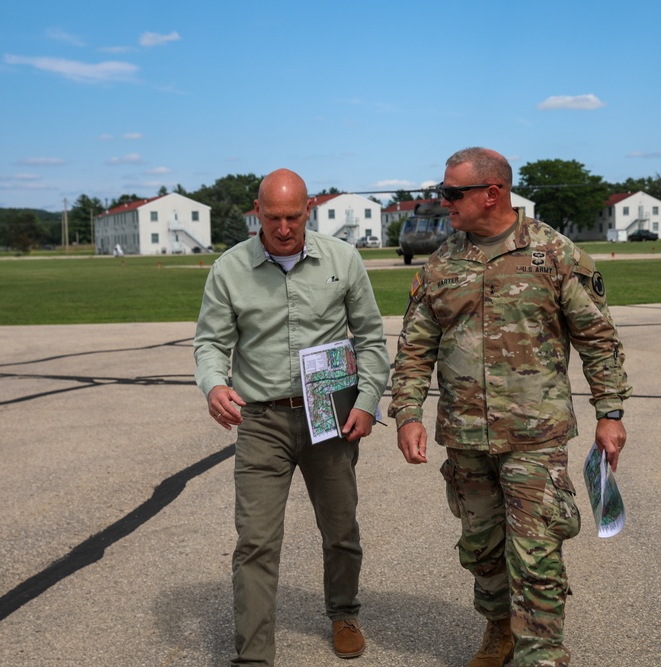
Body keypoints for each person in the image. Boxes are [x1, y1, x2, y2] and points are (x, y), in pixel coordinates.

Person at [389, 148, 631, 667]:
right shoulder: (441, 263)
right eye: (443, 192)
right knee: (481, 550)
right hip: (466, 438)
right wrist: (407, 413)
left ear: (491, 193)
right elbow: (414, 347)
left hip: (534, 437)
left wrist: (610, 413)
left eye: (453, 193)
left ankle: (541, 653)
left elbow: (597, 337)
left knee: (537, 553)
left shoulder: (554, 254)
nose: (443, 201)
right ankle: (500, 630)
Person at [194, 168, 390, 666]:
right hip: (262, 420)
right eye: (273, 217)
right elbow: (211, 342)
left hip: (330, 412)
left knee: (341, 528)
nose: (284, 228)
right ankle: (254, 655)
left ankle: (344, 612)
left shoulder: (342, 260)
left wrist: (367, 402)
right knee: (256, 540)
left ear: (310, 210)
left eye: (293, 217)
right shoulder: (230, 269)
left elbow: (370, 337)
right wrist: (215, 384)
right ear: (256, 212)